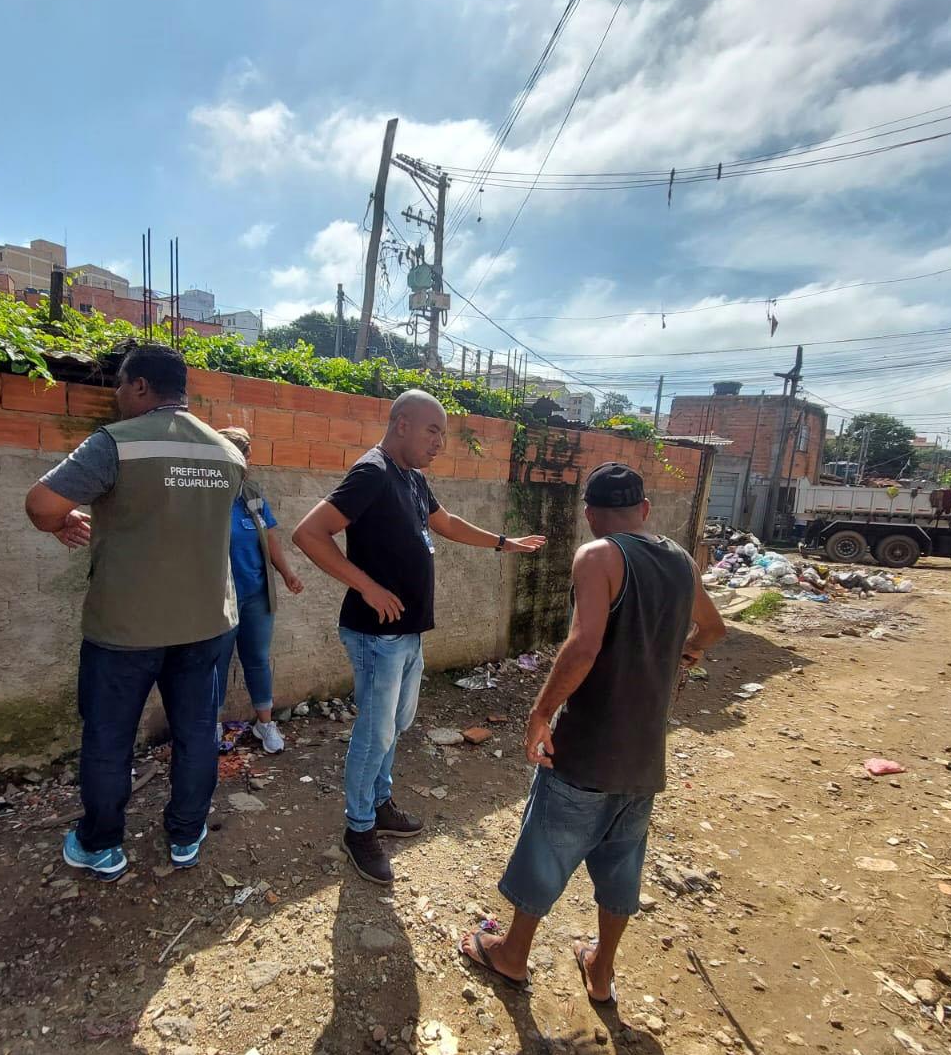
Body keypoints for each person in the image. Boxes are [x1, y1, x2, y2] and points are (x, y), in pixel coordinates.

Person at [457, 462, 726, 1000]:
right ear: (644, 509)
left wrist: (540, 713)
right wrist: (688, 651)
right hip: (644, 754)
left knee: (545, 848)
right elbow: (713, 627)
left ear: (589, 515)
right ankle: (601, 972)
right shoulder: (680, 559)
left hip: (588, 746)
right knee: (622, 863)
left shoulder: (598, 556)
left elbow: (583, 646)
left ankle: (512, 956)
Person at [293, 390, 548, 885]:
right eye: (433, 431)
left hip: (406, 632)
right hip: (376, 635)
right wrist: (367, 587)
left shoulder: (411, 477)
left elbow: (445, 522)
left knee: (395, 724)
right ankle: (358, 829)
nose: (440, 443)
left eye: (443, 434)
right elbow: (308, 533)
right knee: (375, 731)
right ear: (402, 424)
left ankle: (379, 802)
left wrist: (503, 543)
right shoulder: (372, 472)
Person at [25, 343, 244, 881]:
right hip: (205, 624)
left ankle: (100, 845)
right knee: (197, 733)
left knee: (109, 737)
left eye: (121, 385)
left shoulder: (115, 443)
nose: (119, 394)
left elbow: (41, 504)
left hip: (124, 628)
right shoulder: (228, 452)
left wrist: (61, 523)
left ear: (141, 385)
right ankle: (186, 835)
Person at [213, 427, 304, 753]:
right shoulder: (209, 496)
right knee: (215, 663)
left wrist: (287, 573)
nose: (247, 464)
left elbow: (270, 538)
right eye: (243, 457)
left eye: (248, 458)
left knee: (257, 659)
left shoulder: (251, 494)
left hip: (256, 595)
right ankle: (211, 725)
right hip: (219, 599)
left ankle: (265, 724)